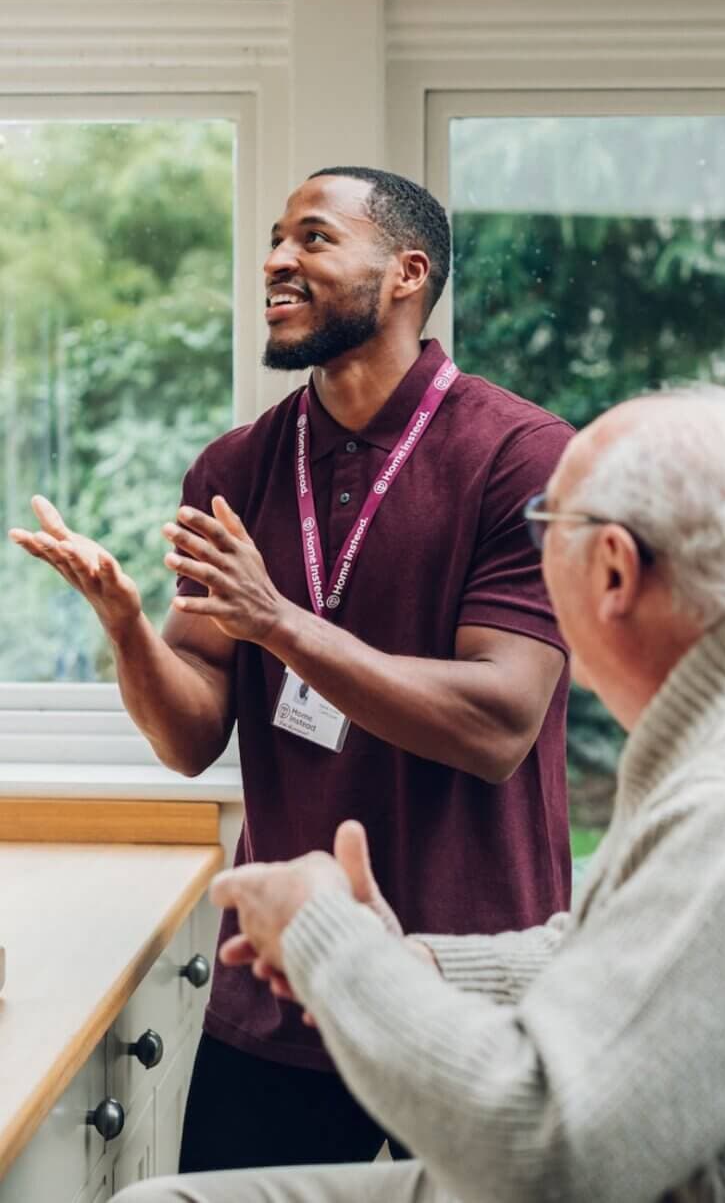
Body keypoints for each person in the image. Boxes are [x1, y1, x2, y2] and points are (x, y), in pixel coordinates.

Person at [117, 386, 725, 1203]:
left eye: (547, 530)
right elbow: (670, 955)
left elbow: (542, 1155)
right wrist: (427, 966)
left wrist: (325, 939)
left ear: (612, 571)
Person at [9, 167, 574, 1171]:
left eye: (313, 238)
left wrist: (279, 621)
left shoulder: (522, 456)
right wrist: (131, 630)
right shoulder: (234, 469)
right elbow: (190, 737)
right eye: (274, 238)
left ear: (405, 272)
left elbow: (498, 725)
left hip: (466, 997)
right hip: (276, 1001)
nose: (276, 259)